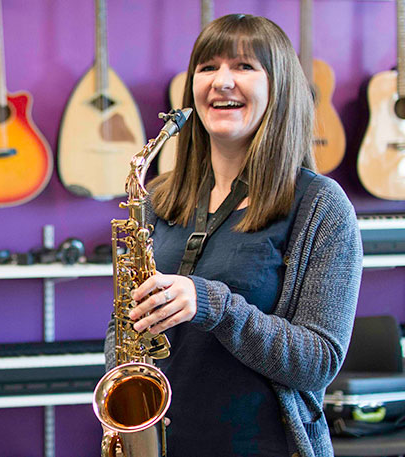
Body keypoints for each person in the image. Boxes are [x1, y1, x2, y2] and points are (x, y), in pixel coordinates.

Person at [104, 14, 362, 457]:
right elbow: (122, 322)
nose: (221, 82)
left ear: (277, 87)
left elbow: (318, 362)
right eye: (208, 67)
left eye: (244, 66)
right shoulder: (159, 197)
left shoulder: (321, 205)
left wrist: (211, 304)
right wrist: (125, 381)